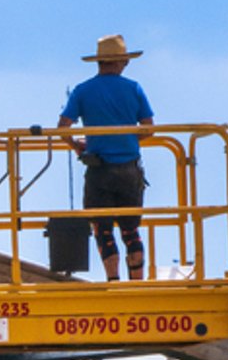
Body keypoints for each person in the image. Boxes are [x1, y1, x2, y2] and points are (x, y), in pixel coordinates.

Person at [58, 34, 155, 281]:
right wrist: (129, 141)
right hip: (130, 170)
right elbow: (149, 128)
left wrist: (77, 146)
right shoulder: (133, 88)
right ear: (120, 61)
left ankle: (113, 280)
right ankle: (137, 283)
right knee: (131, 230)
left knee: (102, 229)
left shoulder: (82, 91)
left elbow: (62, 128)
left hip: (99, 169)